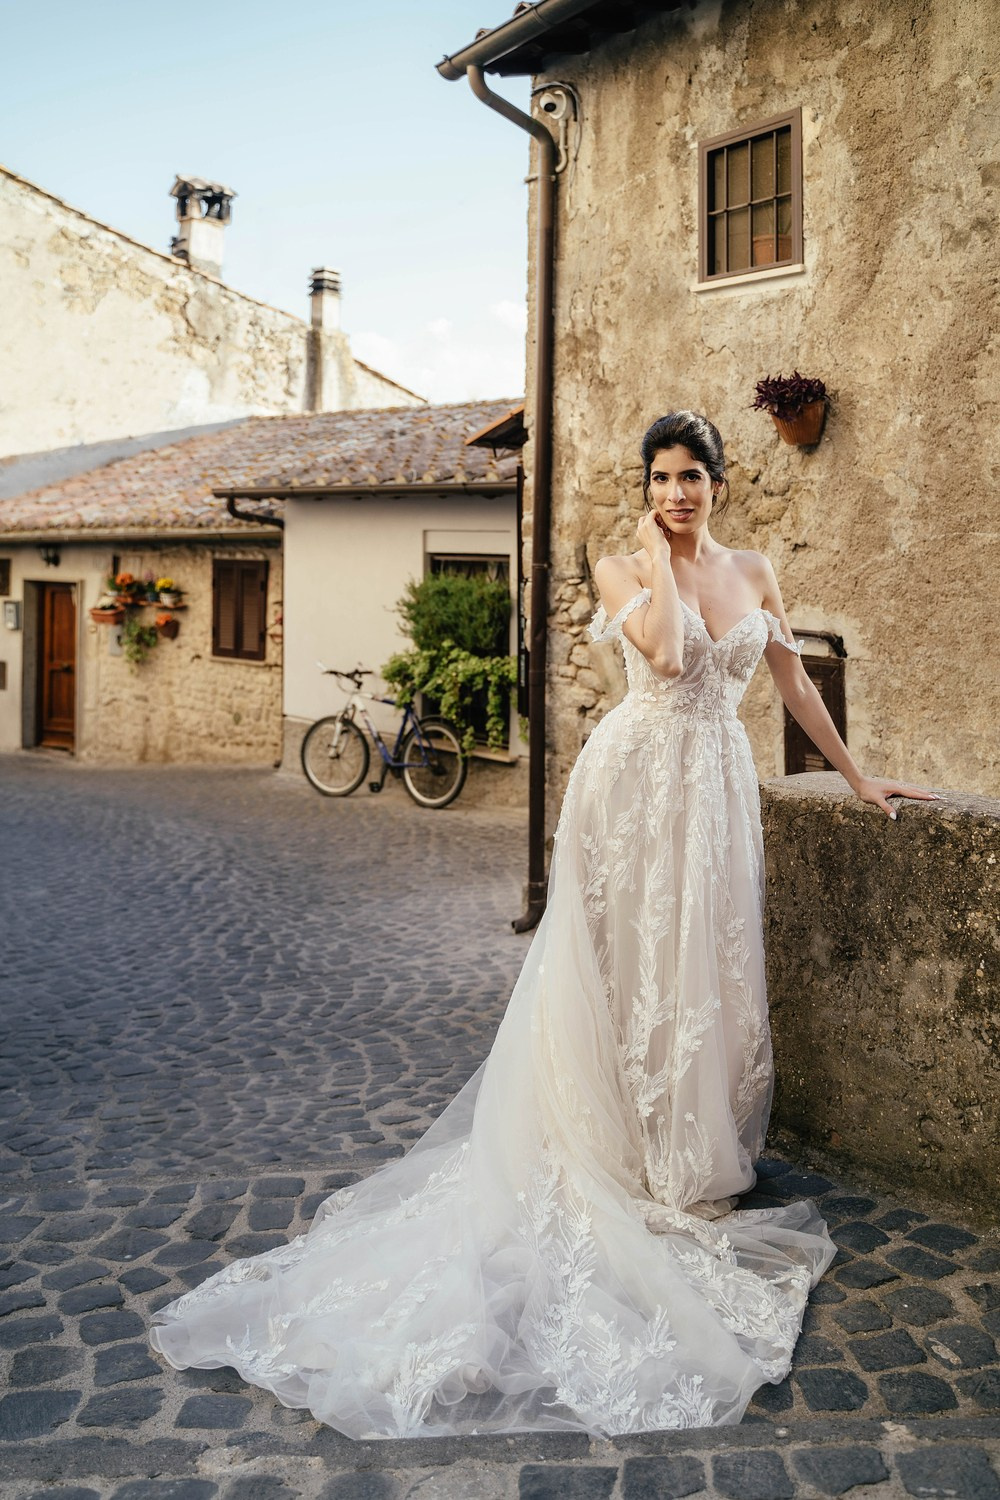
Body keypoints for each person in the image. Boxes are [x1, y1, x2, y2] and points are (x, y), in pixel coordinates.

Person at [150, 410, 939, 1439]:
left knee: (701, 968)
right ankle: (619, 1154)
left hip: (712, 790)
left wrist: (855, 773)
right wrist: (659, 558)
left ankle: (686, 1151)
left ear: (719, 480)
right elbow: (659, 660)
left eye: (691, 476)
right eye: (658, 477)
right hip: (632, 784)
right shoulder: (623, 569)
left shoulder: (754, 570)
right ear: (645, 486)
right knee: (625, 968)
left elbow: (788, 680)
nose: (675, 492)